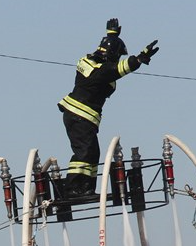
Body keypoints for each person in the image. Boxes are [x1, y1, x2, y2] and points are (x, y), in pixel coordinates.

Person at [57, 18, 159, 196]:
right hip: (80, 116)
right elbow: (120, 68)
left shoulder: (86, 62)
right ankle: (72, 188)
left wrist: (111, 35)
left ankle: (86, 187)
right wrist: (140, 58)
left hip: (78, 116)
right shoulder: (102, 72)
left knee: (91, 152)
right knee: (84, 152)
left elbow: (109, 64)